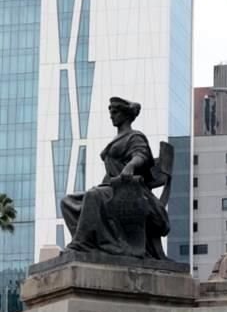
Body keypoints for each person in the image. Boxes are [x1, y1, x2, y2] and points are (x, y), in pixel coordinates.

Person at [61, 97, 171, 259]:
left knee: (93, 195)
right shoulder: (117, 139)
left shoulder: (135, 137)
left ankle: (82, 243)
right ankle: (91, 244)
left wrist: (130, 166)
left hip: (131, 191)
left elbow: (141, 155)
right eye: (110, 112)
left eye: (115, 112)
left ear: (126, 115)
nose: (111, 116)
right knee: (67, 202)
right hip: (111, 188)